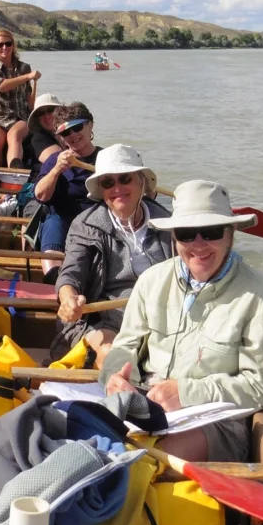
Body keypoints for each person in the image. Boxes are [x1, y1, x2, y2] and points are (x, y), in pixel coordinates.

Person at [99, 180, 263, 463]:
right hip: (146, 404)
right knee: (91, 445)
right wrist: (116, 379)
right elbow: (125, 347)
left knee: (144, 462)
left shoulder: (259, 295)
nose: (198, 245)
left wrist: (187, 392)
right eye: (186, 234)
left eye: (210, 232)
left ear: (230, 234)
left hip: (214, 419)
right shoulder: (151, 281)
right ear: (174, 238)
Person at [53, 145, 174, 365]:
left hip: (161, 319)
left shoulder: (169, 223)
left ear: (142, 182)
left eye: (124, 179)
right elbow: (71, 273)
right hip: (102, 321)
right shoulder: (86, 225)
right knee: (116, 358)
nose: (117, 188)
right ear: (101, 190)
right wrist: (68, 299)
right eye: (108, 182)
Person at [32, 101, 102, 276]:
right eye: (65, 132)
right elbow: (40, 195)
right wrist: (56, 170)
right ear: (60, 137)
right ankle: (53, 279)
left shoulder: (107, 158)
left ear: (90, 125)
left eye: (77, 127)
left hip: (97, 220)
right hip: (61, 218)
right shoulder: (54, 159)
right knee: (52, 222)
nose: (72, 135)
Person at [0, 29, 39, 168]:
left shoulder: (24, 67)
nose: (4, 47)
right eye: (0, 45)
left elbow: (28, 96)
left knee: (14, 136)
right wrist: (28, 76)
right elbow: (1, 86)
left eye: (8, 43)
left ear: (13, 45)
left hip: (19, 117)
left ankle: (15, 175)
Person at [26, 92, 64, 172]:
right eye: (41, 113)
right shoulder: (39, 139)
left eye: (50, 110)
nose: (47, 116)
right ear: (37, 119)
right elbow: (60, 162)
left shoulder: (69, 134)